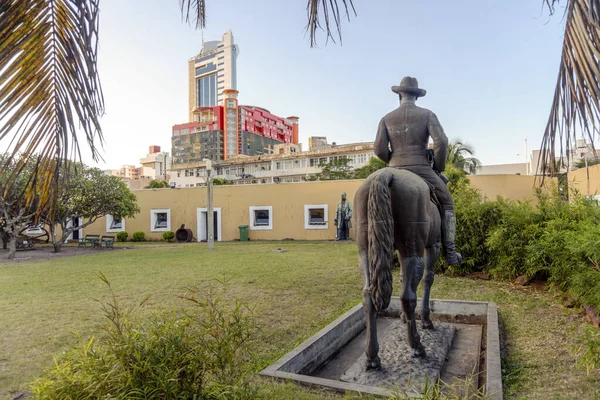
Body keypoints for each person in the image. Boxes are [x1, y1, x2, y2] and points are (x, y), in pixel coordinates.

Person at [374, 76, 462, 265]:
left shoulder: (386, 118)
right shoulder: (427, 115)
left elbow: (379, 150)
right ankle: (451, 252)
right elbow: (441, 142)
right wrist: (439, 167)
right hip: (421, 168)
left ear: (400, 94)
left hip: (394, 167)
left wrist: (393, 161)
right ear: (417, 96)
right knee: (447, 204)